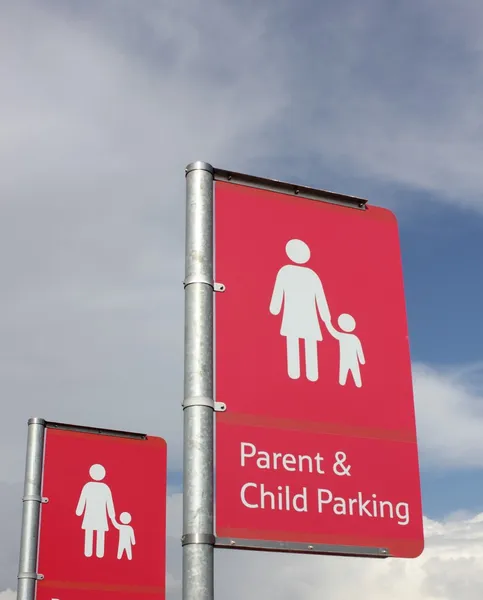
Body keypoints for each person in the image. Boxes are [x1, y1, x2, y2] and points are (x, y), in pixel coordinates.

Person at [270, 239, 331, 382]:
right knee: (302, 342)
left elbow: (320, 298)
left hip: (299, 315)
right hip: (302, 316)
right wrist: (326, 318)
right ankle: (306, 374)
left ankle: (301, 374)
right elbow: (320, 299)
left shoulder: (289, 272)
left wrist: (275, 308)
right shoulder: (307, 274)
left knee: (297, 341)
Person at [75, 464, 116, 558]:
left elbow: (82, 500)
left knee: (91, 532)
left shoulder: (88, 486)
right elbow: (110, 504)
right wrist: (112, 516)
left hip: (91, 515)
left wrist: (79, 511)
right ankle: (98, 553)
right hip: (99, 516)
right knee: (98, 533)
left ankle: (89, 552)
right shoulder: (105, 488)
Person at [325, 313, 365, 387]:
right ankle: (351, 384)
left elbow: (359, 350)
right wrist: (362, 361)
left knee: (352, 373)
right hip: (346, 360)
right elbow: (359, 350)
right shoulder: (352, 337)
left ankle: (352, 384)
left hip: (349, 360)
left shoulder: (344, 336)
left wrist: (327, 322)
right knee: (347, 373)